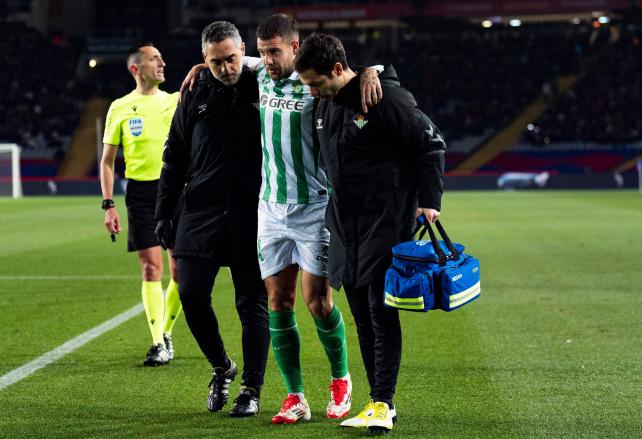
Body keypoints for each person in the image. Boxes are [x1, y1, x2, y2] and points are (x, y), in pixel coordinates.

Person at [180, 13, 383, 424]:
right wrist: (203, 65)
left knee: (318, 302)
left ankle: (340, 378)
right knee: (278, 303)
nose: (267, 59)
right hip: (270, 209)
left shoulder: (312, 82)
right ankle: (294, 396)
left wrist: (372, 72)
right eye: (262, 52)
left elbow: (352, 74)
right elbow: (230, 61)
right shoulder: (257, 74)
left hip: (313, 208)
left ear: (294, 47)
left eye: (274, 51)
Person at [295, 33, 446, 433]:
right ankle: (378, 401)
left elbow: (430, 144)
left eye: (315, 82)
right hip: (346, 227)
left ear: (339, 70)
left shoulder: (386, 99)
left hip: (386, 221)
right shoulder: (324, 106)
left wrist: (429, 202)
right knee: (362, 316)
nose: (310, 90)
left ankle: (384, 402)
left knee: (381, 312)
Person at [154, 21, 269, 418]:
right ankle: (223, 367)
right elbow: (174, 159)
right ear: (204, 60)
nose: (225, 67)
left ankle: (251, 388)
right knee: (190, 296)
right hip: (199, 211)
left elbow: (299, 62)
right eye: (215, 61)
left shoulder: (264, 84)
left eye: (232, 58)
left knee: (251, 303)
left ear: (243, 52)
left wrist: (374, 71)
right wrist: (163, 214)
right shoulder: (193, 93)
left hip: (251, 214)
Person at [100, 42, 182, 367]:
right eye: (154, 58)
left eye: (162, 57)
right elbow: (107, 162)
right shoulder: (119, 107)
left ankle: (167, 330)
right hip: (141, 194)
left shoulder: (176, 101)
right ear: (136, 68)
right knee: (151, 268)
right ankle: (157, 343)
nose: (162, 62)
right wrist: (108, 204)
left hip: (175, 190)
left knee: (180, 272)